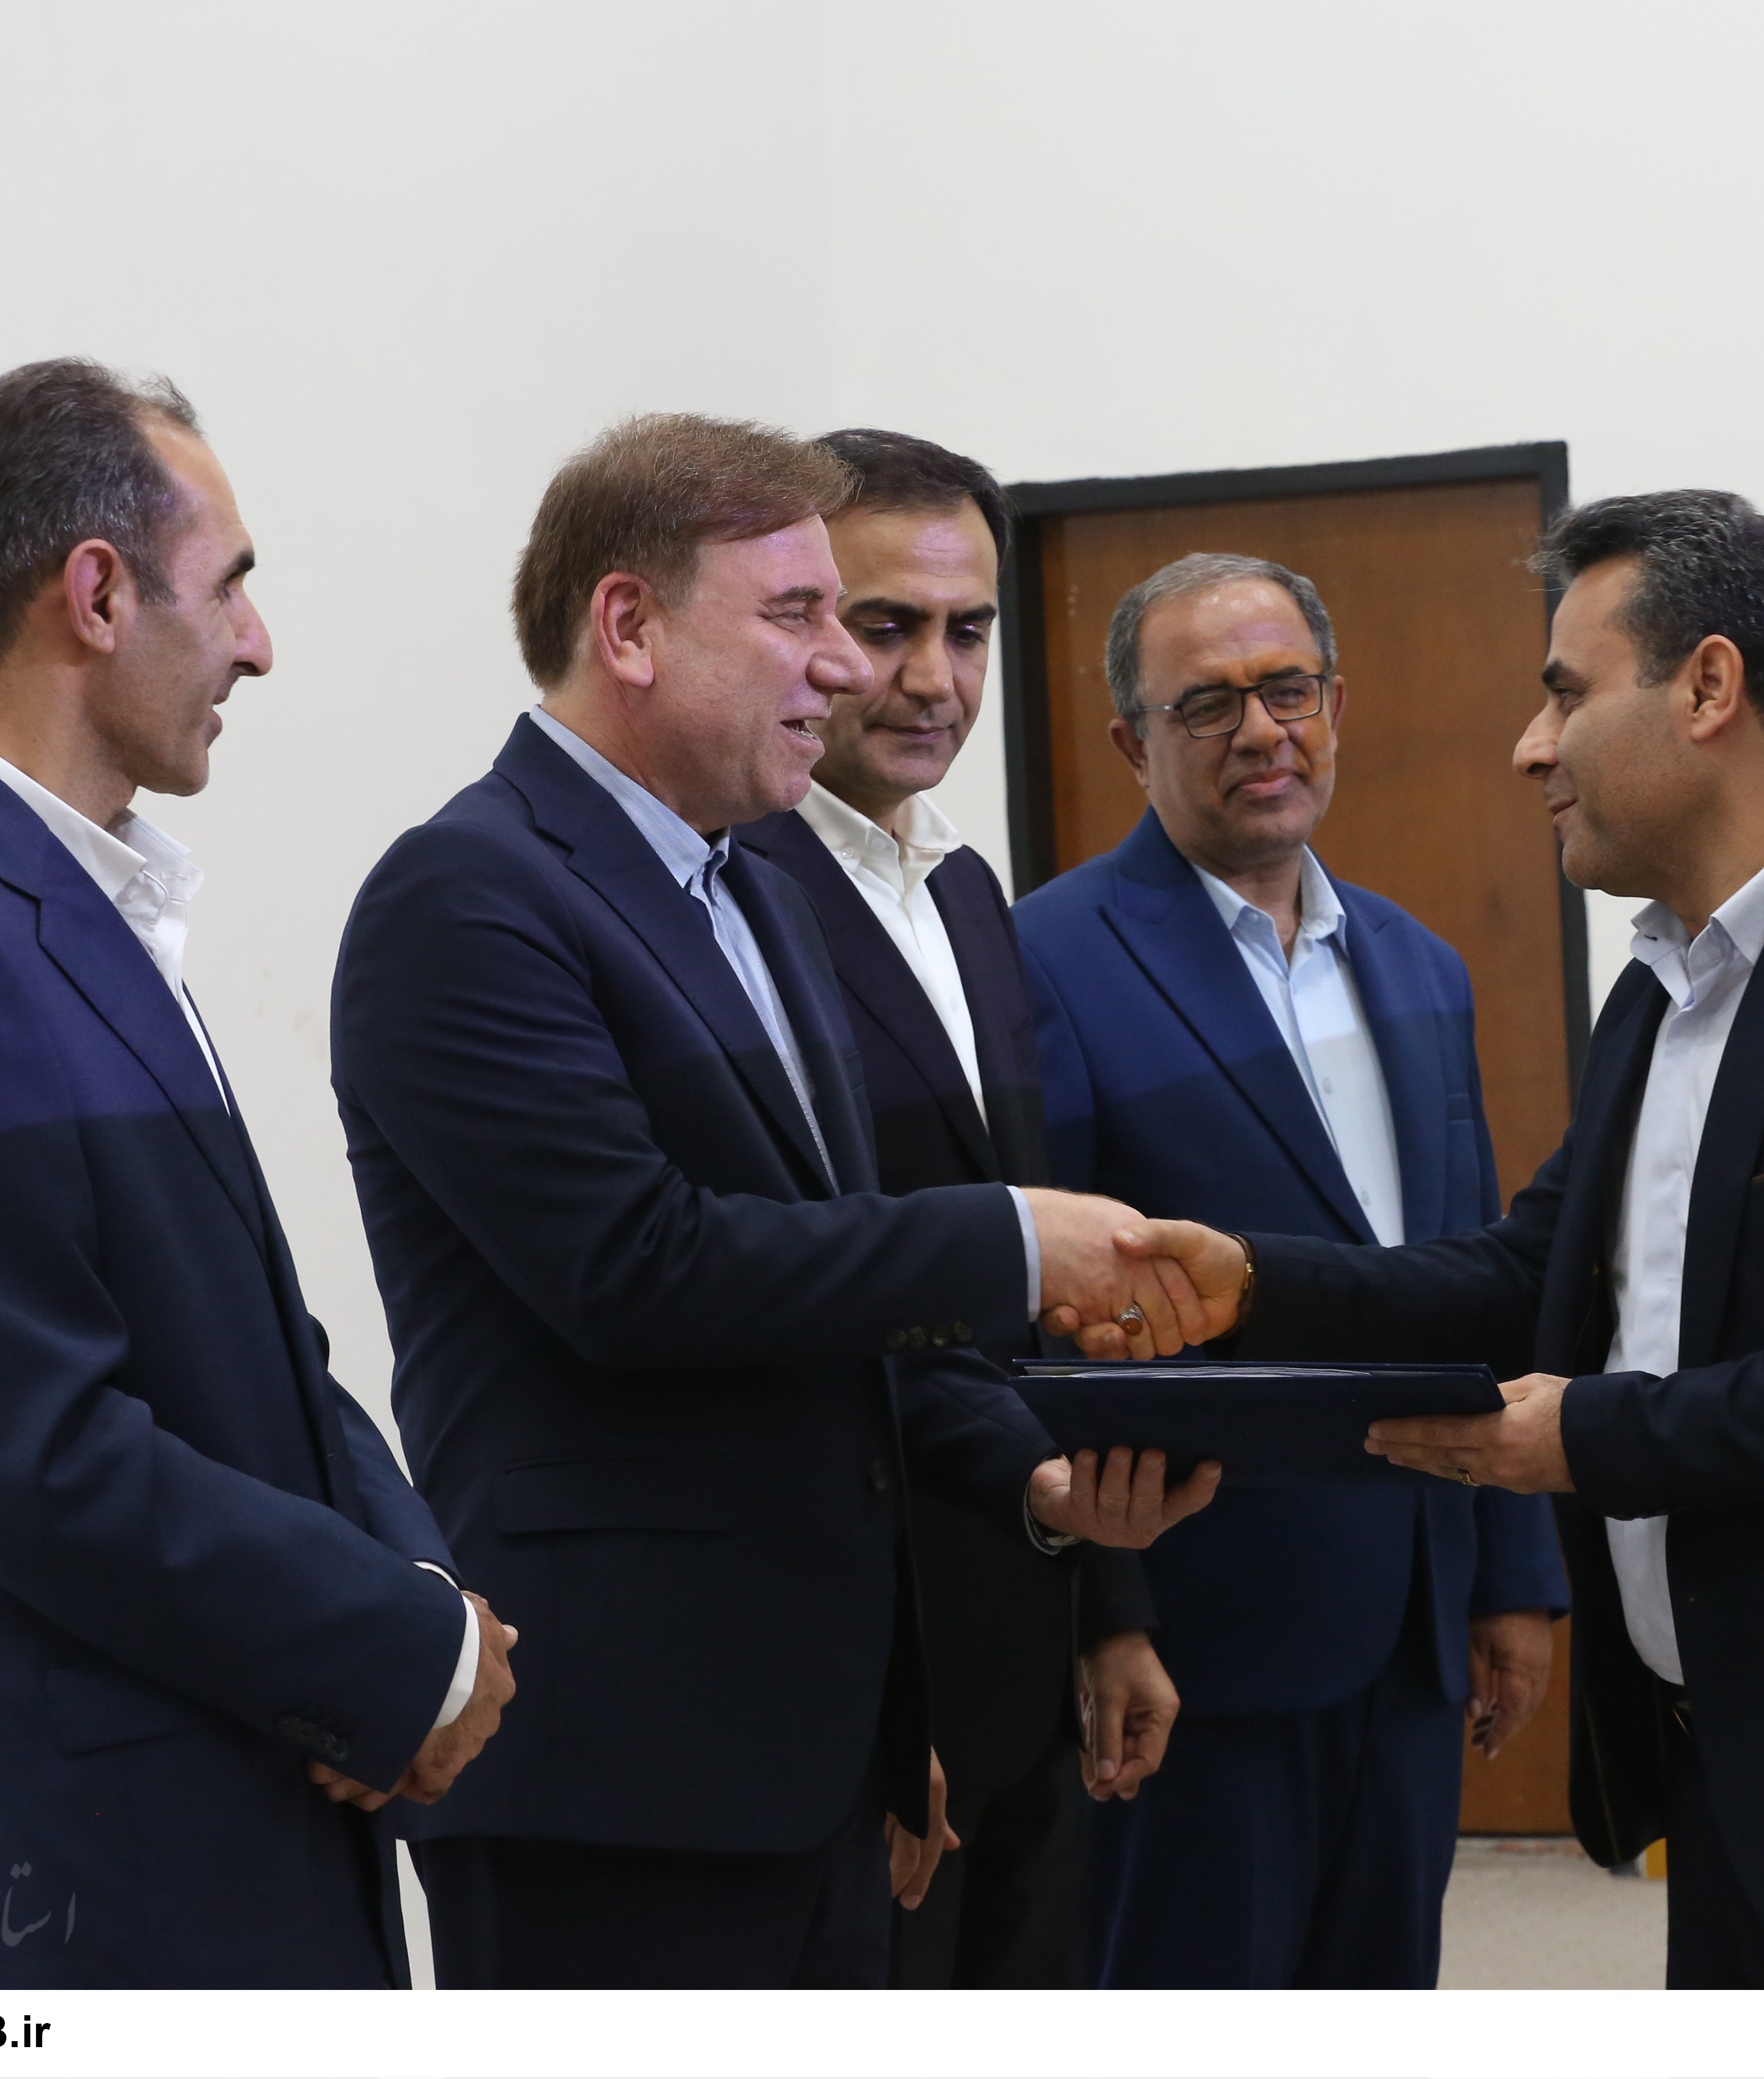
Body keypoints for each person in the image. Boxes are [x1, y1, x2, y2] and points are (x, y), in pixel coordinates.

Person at [1078, 493, 1764, 1988]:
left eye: (1566, 695)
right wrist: (1252, 1283)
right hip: (1737, 1773)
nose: (1533, 747)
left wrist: (1585, 1437)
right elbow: (1531, 1273)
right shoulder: (1661, 992)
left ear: (1707, 688)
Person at [328, 414, 1221, 1990]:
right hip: (617, 1764)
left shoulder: (755, 892)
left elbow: (846, 1310)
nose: (848, 668)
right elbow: (638, 1268)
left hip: (814, 1753)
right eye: (801, 615)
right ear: (629, 628)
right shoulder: (465, 894)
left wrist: (1033, 1485)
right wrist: (1017, 1239)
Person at [0, 360, 516, 1988]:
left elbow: (262, 1358)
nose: (258, 643)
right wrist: (400, 1650)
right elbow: (34, 1457)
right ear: (96, 594)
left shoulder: (54, 905)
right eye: (228, 586)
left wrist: (420, 1595)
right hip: (83, 1893)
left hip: (203, 1836)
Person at [1013, 552, 1570, 1989]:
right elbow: (1042, 1331)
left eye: (1288, 690)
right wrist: (1105, 1614)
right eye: (1208, 704)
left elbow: (1479, 1284)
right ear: (1133, 741)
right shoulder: (1045, 961)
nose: (1261, 730)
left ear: (1336, 705)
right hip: (1199, 1629)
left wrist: (1513, 1572)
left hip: (1413, 1617)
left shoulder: (1420, 963)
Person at [734, 428, 1174, 1988]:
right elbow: (795, 1324)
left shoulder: (970, 896)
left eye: (969, 630)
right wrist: (880, 1713)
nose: (934, 678)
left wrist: (1108, 1606)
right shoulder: (737, 900)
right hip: (867, 1663)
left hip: (1023, 1624)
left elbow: (1033, 1298)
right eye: (885, 625)